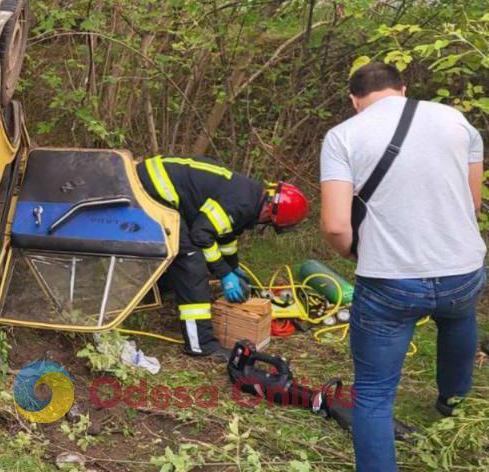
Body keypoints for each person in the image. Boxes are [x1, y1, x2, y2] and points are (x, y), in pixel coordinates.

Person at [319, 62, 486, 471]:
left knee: (374, 394)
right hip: (464, 270)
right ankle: (453, 401)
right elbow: (474, 202)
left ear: (354, 100)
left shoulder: (343, 136)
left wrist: (352, 254)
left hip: (390, 281)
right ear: (403, 88)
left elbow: (337, 224)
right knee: (458, 316)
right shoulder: (456, 120)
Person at [137, 155, 309, 356]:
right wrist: (225, 275)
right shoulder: (242, 204)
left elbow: (225, 235)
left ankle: (157, 292)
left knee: (193, 255)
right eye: (269, 222)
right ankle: (201, 345)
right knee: (191, 261)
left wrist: (232, 266)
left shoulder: (250, 196)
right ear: (269, 211)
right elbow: (201, 234)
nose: (265, 225)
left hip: (155, 184)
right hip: (151, 190)